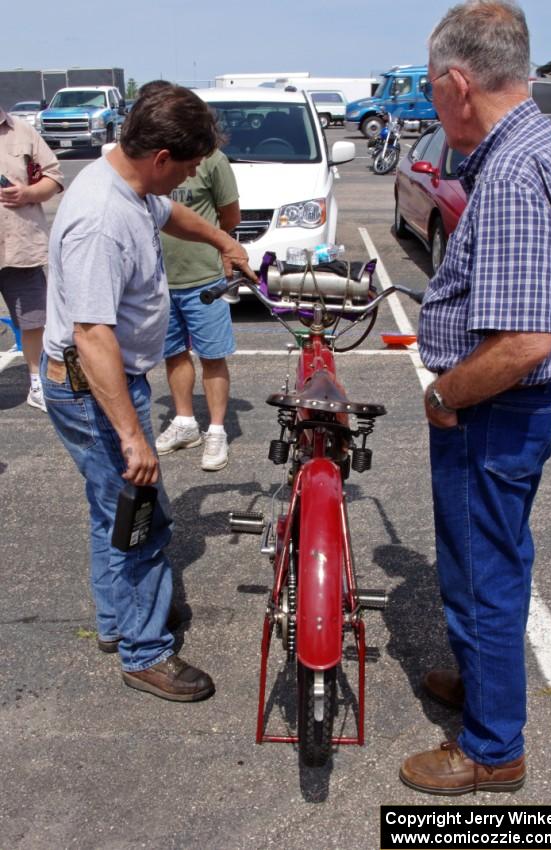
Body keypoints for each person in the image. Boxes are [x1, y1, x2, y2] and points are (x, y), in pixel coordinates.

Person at [41, 86, 256, 702]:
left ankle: (119, 621)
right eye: (187, 168)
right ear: (161, 156)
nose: (192, 178)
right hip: (93, 389)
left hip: (107, 384)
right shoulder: (100, 221)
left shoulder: (132, 185)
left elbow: (172, 215)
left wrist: (222, 241)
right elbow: (91, 335)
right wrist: (135, 437)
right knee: (141, 516)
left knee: (113, 509)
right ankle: (145, 652)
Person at [400, 0, 551, 795]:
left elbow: (522, 342)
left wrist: (443, 397)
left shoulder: (507, 170)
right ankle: (484, 679)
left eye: (430, 90)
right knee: (493, 558)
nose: (431, 104)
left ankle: (492, 750)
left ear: (458, 84)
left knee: (482, 574)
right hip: (516, 409)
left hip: (491, 410)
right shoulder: (545, 143)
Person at [157, 140, 240, 471]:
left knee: (212, 355)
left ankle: (217, 430)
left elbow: (230, 216)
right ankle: (185, 422)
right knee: (173, 353)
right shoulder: (153, 161)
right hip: (160, 280)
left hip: (204, 277)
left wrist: (220, 249)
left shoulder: (213, 161)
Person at [0, 104, 63, 411]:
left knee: (35, 319)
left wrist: (28, 193)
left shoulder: (22, 131)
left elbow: (53, 177)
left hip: (20, 244)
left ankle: (37, 383)